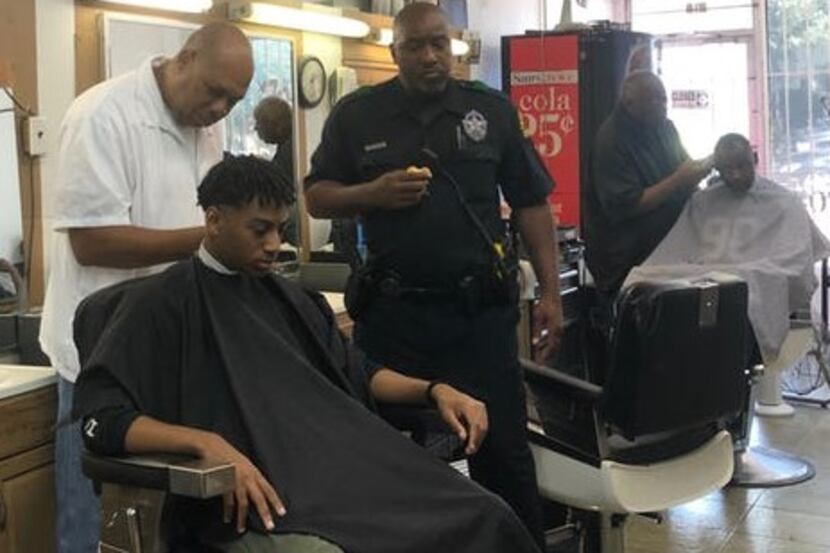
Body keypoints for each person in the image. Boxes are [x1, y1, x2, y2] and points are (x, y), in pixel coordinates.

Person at [72, 154, 541, 553]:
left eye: (280, 229)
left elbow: (356, 372)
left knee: (485, 515)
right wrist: (206, 444)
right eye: (259, 230)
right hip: (256, 499)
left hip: (336, 474)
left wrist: (435, 390)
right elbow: (103, 419)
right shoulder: (156, 306)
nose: (274, 245)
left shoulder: (292, 300)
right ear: (213, 220)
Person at [304, 3, 562, 545]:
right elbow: (316, 196)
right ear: (394, 53)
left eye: (439, 45)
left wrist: (551, 294)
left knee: (506, 461)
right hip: (397, 322)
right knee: (386, 462)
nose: (430, 57)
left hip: (479, 322)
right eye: (416, 46)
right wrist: (370, 194)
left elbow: (533, 203)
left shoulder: (489, 111)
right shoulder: (357, 116)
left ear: (453, 48)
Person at [39, 22, 254, 553]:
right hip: (100, 360)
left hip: (171, 355)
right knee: (94, 531)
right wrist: (210, 240)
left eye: (234, 99)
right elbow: (92, 242)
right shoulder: (102, 116)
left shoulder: (206, 128)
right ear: (183, 60)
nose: (222, 109)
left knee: (164, 532)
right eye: (215, 92)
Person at [627, 133, 830, 363]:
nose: (735, 175)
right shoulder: (702, 202)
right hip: (702, 282)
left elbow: (795, 261)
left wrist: (748, 273)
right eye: (727, 169)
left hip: (749, 285)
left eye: (742, 166)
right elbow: (677, 251)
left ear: (754, 159)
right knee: (640, 277)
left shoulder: (785, 202)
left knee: (747, 288)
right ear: (717, 170)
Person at [583, 71, 714, 297]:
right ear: (629, 103)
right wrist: (678, 179)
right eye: (652, 100)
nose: (661, 105)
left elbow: (685, 170)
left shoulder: (665, 128)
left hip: (670, 251)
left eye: (663, 98)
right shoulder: (612, 141)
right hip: (626, 262)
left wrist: (708, 168)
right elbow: (628, 205)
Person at [254, 96, 299, 247]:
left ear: (273, 124)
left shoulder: (291, 151)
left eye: (258, 123)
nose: (255, 128)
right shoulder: (288, 146)